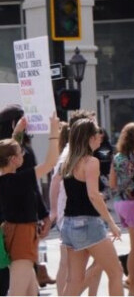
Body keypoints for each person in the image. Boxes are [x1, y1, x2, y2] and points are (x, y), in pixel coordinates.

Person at [60, 118, 124, 296]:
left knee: (74, 280)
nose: (100, 136)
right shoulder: (91, 162)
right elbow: (93, 195)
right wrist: (111, 223)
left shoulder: (68, 162)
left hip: (69, 224)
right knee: (116, 271)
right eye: (97, 133)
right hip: (88, 223)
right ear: (89, 137)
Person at [0, 114, 59, 296]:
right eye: (20, 154)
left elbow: (7, 151)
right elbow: (50, 163)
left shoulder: (6, 178)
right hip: (22, 236)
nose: (23, 155)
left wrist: (17, 131)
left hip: (14, 233)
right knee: (18, 291)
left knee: (30, 291)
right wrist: (54, 132)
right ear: (13, 160)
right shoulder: (19, 180)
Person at [110, 122, 134, 296]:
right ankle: (133, 285)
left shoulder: (117, 157)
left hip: (120, 203)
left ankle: (133, 283)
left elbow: (112, 183)